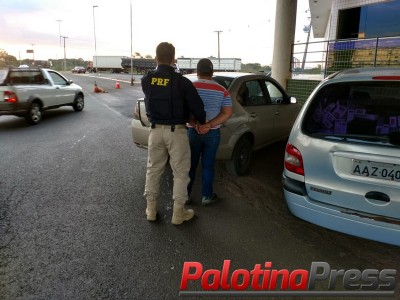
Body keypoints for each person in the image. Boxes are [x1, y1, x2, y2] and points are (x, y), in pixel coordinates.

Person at [141, 42, 206, 225]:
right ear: (173, 59)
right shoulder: (182, 82)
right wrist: (201, 122)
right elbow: (197, 107)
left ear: (156, 58)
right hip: (176, 132)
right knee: (180, 173)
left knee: (153, 170)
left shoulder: (146, 80)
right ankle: (178, 214)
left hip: (155, 131)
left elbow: (150, 99)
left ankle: (151, 210)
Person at [187, 58, 233, 206]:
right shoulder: (222, 90)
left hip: (193, 132)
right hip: (212, 134)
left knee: (190, 165)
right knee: (208, 165)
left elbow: (184, 110)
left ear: (198, 71)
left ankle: (185, 196)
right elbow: (227, 113)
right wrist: (209, 125)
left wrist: (195, 125)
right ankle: (206, 196)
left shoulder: (191, 87)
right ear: (212, 72)